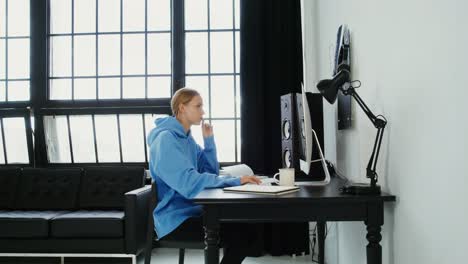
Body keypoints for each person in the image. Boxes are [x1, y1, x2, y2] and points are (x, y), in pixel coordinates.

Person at [147, 87, 261, 264]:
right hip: (175, 220)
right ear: (182, 108)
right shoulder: (166, 140)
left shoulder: (187, 139)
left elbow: (209, 173)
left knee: (248, 231)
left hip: (193, 211)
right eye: (198, 106)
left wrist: (208, 142)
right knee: (243, 235)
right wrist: (236, 180)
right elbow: (189, 182)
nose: (203, 111)